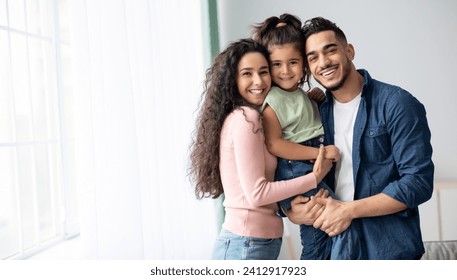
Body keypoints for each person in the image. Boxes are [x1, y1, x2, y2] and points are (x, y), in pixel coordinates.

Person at [287, 16, 434, 259]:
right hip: (329, 251)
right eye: (313, 57)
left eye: (330, 50)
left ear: (349, 51)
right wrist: (290, 210)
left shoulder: (397, 104)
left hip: (386, 251)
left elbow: (418, 182)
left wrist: (348, 211)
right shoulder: (314, 114)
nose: (323, 62)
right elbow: (291, 168)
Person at [188, 38, 333, 260]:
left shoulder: (256, 117)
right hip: (246, 244)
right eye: (247, 73)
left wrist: (288, 209)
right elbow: (257, 194)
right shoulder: (246, 119)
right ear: (232, 79)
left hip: (253, 242)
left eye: (263, 72)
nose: (258, 80)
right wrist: (314, 177)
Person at [251, 13, 362, 260]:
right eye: (276, 65)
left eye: (293, 62)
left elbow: (299, 121)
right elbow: (275, 143)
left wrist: (312, 101)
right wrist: (319, 154)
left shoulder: (301, 94)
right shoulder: (273, 101)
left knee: (323, 234)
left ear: (303, 64)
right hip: (298, 167)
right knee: (330, 230)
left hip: (308, 164)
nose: (285, 71)